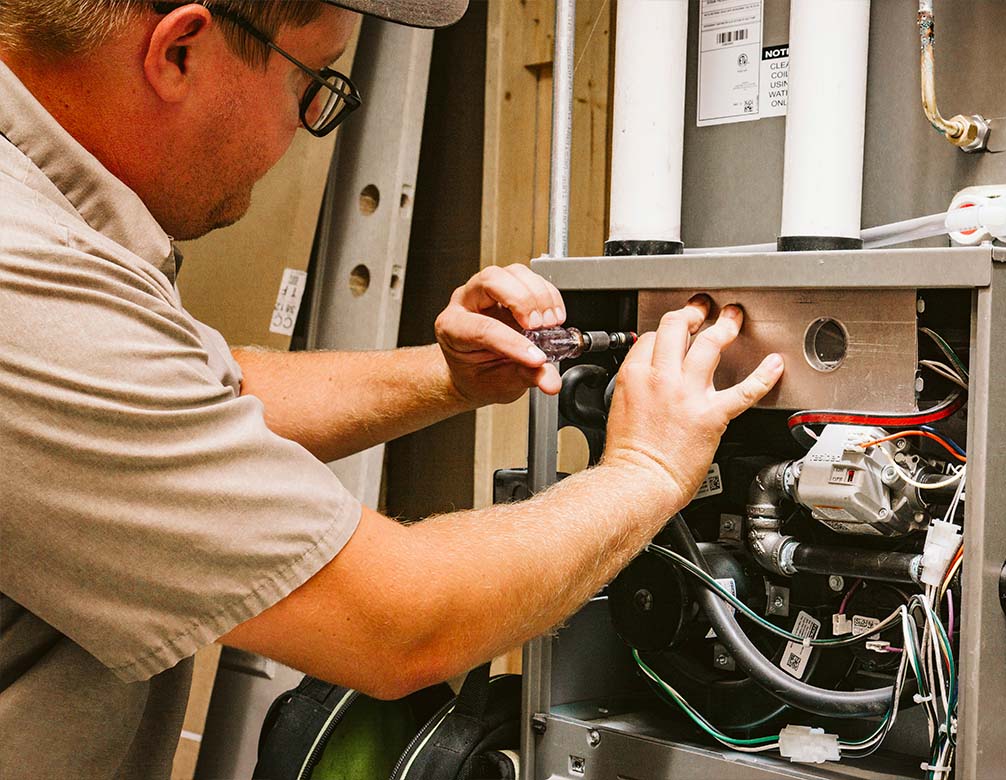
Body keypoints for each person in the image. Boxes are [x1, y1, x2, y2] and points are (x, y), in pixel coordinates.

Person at [0, 1, 784, 776]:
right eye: (314, 85)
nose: (304, 125)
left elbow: (189, 394)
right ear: (179, 51)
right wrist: (647, 470)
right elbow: (396, 624)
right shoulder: (23, 273)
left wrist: (449, 378)